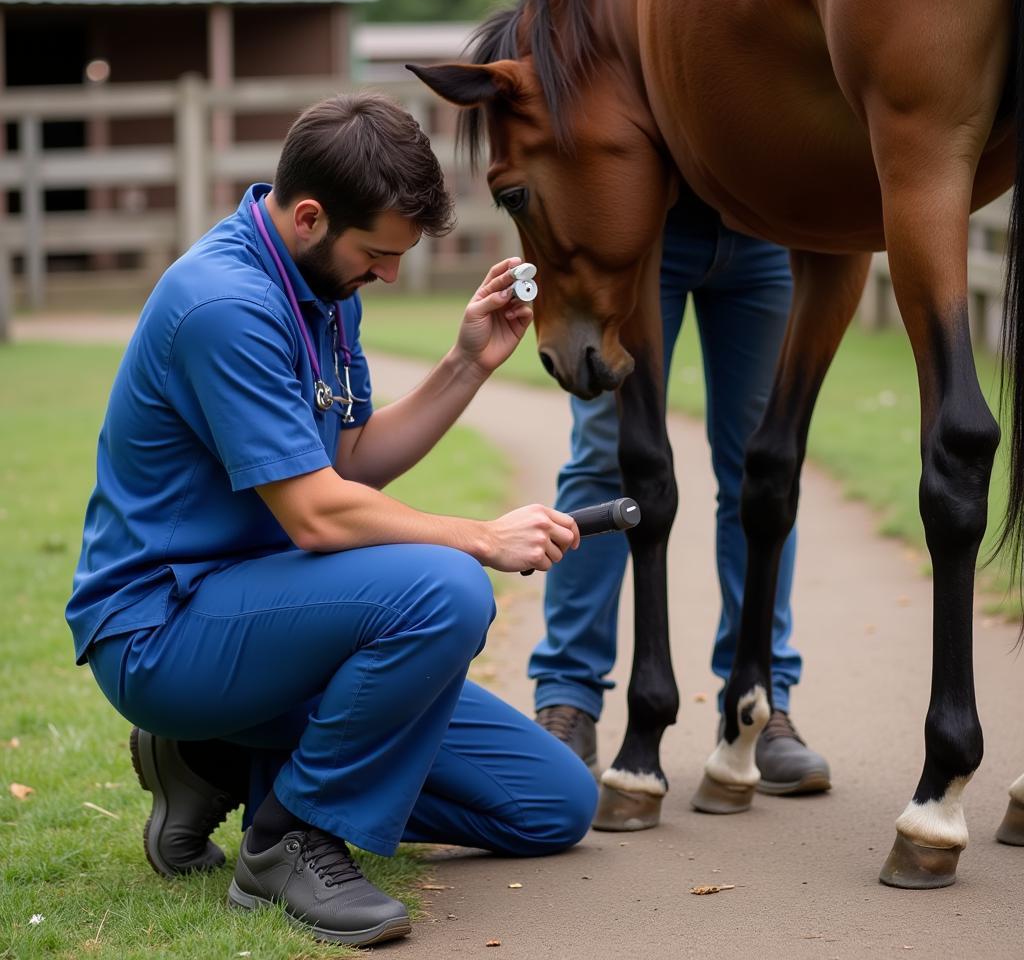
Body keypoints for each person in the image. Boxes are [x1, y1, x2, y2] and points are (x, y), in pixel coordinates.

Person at [66, 93, 597, 948]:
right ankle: (288, 840)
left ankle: (214, 760)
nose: (387, 276)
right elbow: (316, 513)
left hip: (281, 618)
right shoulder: (224, 305)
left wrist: (466, 364)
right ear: (310, 216)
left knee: (555, 804)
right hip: (165, 632)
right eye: (378, 254)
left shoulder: (322, 286)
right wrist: (481, 538)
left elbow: (342, 462)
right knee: (447, 590)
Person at [531, 186, 831, 796]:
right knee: (604, 458)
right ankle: (568, 700)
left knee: (763, 471)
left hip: (765, 223)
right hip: (638, 233)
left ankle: (761, 700)